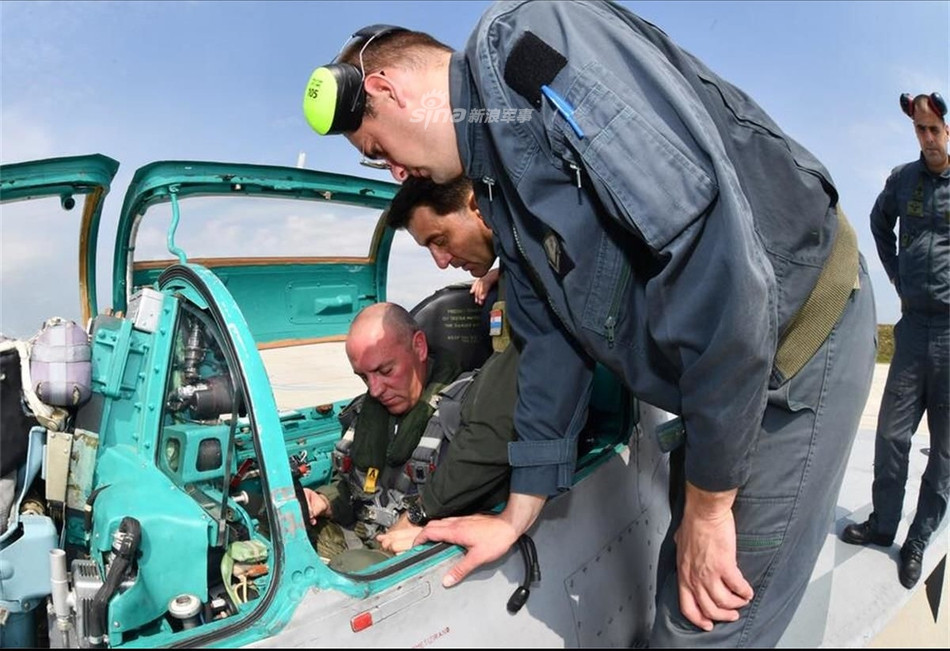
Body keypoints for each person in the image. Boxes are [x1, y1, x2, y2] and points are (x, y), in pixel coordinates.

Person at [302, 2, 877, 645]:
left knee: (703, 622)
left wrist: (713, 505)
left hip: (791, 351)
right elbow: (549, 346)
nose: (397, 174)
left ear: (383, 89)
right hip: (724, 377)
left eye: (381, 152)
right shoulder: (499, 184)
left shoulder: (528, 47)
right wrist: (517, 516)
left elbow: (712, 262)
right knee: (677, 591)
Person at [302, 301, 517, 568]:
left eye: (385, 371)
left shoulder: (467, 413)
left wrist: (425, 532)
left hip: (416, 551)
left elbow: (483, 506)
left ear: (419, 346)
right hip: (365, 536)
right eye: (364, 377)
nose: (375, 389)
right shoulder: (367, 413)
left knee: (353, 568)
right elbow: (355, 489)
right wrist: (325, 501)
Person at [840, 92, 949, 590]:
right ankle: (884, 525)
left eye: (934, 129)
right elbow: (880, 223)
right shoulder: (904, 180)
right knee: (890, 437)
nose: (928, 139)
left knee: (945, 452)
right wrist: (898, 277)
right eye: (920, 130)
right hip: (911, 331)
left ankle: (918, 539)